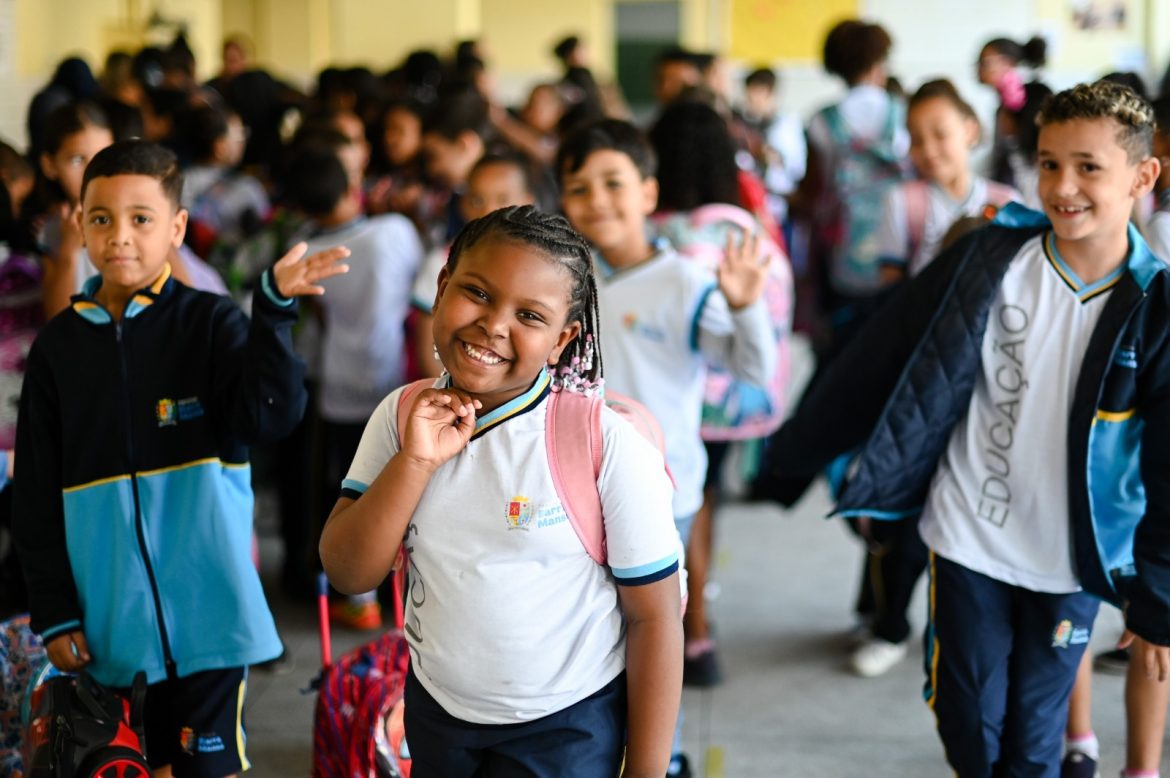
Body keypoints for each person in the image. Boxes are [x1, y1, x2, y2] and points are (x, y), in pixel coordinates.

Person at [755, 80, 1166, 777]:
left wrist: (1156, 590)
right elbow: (884, 351)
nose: (1062, 186)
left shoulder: (1155, 306)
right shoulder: (991, 258)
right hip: (969, 536)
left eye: (1088, 166)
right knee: (968, 719)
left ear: (1143, 174)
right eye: (1047, 163)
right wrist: (794, 454)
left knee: (1035, 740)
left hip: (1068, 562)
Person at [12, 140, 350, 777]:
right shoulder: (58, 350)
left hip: (212, 618)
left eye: (142, 218)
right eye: (102, 218)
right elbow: (34, 491)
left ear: (177, 228)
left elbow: (272, 416)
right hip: (110, 624)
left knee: (198, 770)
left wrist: (273, 312)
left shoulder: (209, 323)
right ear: (80, 225)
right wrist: (55, 609)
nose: (121, 236)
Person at [319, 205, 683, 777]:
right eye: (478, 293)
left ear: (562, 340)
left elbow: (655, 619)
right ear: (441, 287)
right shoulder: (400, 417)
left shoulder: (601, 444)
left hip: (566, 727)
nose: (494, 324)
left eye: (530, 315)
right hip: (437, 713)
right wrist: (415, 460)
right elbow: (348, 572)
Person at [559, 118, 775, 777]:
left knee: (654, 633)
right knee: (590, 632)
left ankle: (665, 753)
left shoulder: (684, 281)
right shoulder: (565, 278)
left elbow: (752, 369)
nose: (597, 199)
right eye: (578, 187)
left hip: (663, 489)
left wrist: (745, 308)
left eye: (613, 182)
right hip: (574, 489)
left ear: (649, 193)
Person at [286, 141, 424, 630]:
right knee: (404, 488)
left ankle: (360, 598)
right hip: (396, 381)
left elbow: (317, 312)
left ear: (300, 205)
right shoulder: (394, 232)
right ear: (352, 188)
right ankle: (407, 593)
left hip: (339, 384)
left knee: (354, 486)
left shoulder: (306, 251)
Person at [411, 153, 537, 379]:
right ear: (464, 205)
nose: (489, 210)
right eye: (477, 200)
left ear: (527, 202)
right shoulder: (441, 262)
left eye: (503, 198)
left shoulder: (541, 270)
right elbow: (427, 346)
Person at [976, 35, 1052, 208]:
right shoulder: (1001, 107)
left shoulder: (1030, 97)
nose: (978, 68)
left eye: (985, 62)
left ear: (1008, 63)